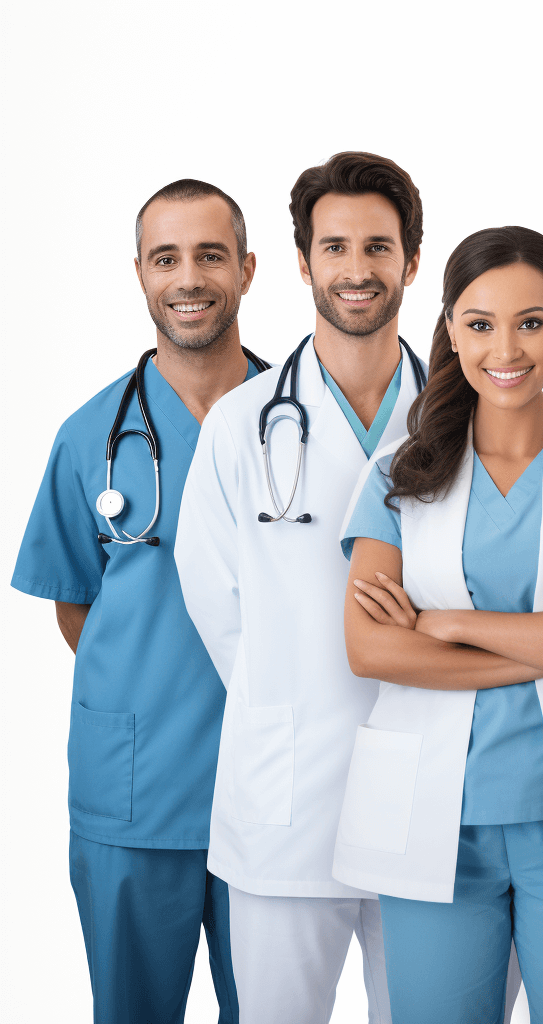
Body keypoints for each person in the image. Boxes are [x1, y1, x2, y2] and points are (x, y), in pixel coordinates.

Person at [336, 226, 543, 1024]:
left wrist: (444, 624)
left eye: (531, 321)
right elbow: (370, 647)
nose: (506, 348)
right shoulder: (398, 475)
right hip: (434, 820)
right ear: (450, 330)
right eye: (480, 324)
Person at [174, 152, 430, 1024]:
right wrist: (290, 685)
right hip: (288, 798)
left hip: (431, 799)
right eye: (335, 247)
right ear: (302, 261)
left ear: (412, 260)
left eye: (378, 247)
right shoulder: (242, 426)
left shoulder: (464, 423)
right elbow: (217, 607)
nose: (357, 269)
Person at [11, 179, 268, 1024]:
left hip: (271, 791)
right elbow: (76, 604)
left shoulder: (299, 423)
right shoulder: (90, 436)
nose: (188, 277)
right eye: (167, 258)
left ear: (247, 269)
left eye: (209, 255)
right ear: (140, 274)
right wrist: (151, 684)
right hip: (133, 795)